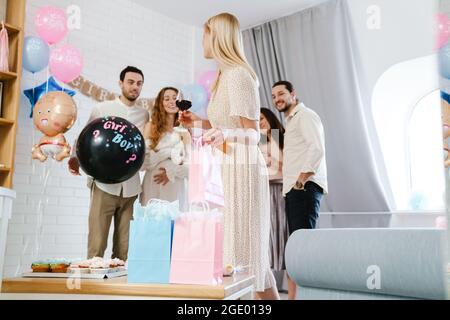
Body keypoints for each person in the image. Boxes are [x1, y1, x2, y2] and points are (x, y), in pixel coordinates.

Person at [179, 13, 279, 300]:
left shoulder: (237, 76)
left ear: (218, 36)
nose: (202, 42)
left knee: (244, 256)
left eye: (205, 35)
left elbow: (253, 133)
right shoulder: (224, 77)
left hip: (243, 170)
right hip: (228, 167)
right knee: (246, 257)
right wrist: (198, 123)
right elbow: (226, 126)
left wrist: (224, 134)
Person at [68, 66, 149, 261]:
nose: (134, 87)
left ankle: (119, 290)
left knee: (124, 250)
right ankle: (93, 288)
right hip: (104, 186)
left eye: (139, 84)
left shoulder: (144, 115)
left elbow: (144, 147)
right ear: (121, 83)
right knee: (96, 246)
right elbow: (84, 137)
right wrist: (74, 158)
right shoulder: (102, 109)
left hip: (130, 188)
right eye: (130, 82)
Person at [272, 80, 328, 300]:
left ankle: (306, 296)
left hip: (304, 187)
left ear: (293, 94)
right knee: (296, 246)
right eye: (274, 95)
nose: (278, 99)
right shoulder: (291, 121)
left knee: (302, 246)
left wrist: (301, 179)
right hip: (294, 190)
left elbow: (317, 148)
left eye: (282, 94)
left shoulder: (305, 116)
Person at [140, 87, 189, 208]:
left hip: (175, 184)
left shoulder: (184, 130)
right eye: (166, 99)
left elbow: (190, 165)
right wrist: (169, 153)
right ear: (160, 103)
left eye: (175, 98)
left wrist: (171, 173)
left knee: (174, 222)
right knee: (152, 220)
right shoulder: (150, 127)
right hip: (153, 182)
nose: (171, 102)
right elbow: (143, 162)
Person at [259, 108, 288, 291]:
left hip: (278, 188)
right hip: (264, 188)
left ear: (269, 118)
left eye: (262, 118)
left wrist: (268, 160)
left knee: (281, 233)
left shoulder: (278, 136)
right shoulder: (262, 139)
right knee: (268, 235)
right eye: (257, 119)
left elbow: (282, 163)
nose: (259, 121)